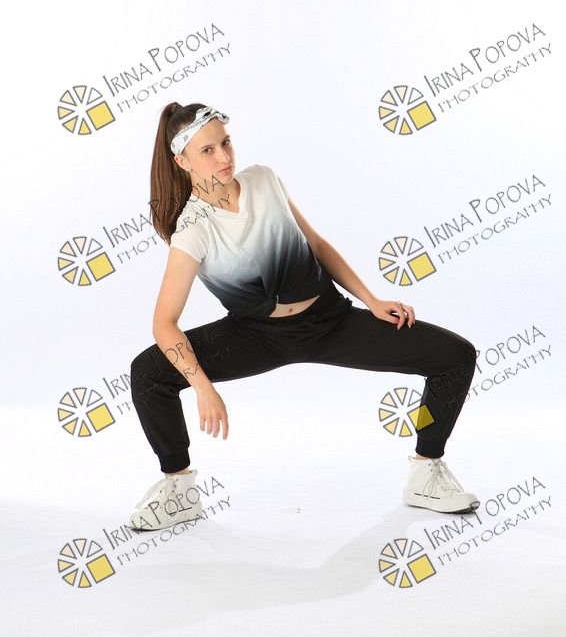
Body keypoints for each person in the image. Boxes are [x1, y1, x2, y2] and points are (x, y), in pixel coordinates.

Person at [129, 102, 479, 532]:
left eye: (226, 143)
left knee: (455, 357)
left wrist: (370, 300)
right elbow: (164, 323)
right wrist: (202, 386)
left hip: (331, 321)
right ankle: (179, 488)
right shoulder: (193, 229)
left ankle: (426, 470)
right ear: (182, 161)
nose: (224, 157)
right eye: (207, 150)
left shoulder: (263, 180)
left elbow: (316, 244)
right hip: (257, 335)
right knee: (149, 372)